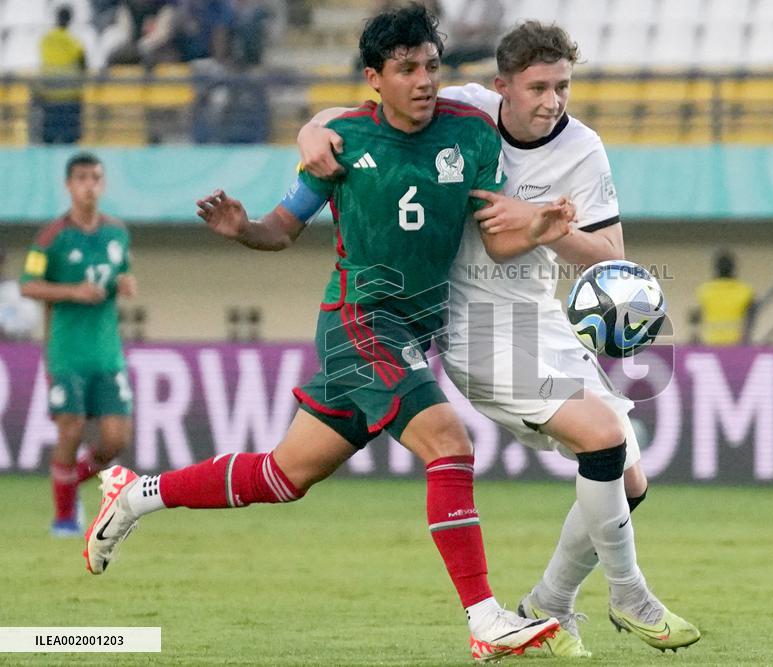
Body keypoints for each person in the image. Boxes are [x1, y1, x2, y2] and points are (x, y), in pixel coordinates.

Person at [84, 5, 570, 662]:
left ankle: (136, 493)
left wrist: (537, 229)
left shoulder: (473, 132)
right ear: (375, 77)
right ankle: (485, 617)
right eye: (406, 69)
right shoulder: (342, 140)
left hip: (410, 330)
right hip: (360, 318)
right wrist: (243, 229)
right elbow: (283, 227)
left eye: (430, 66)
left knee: (285, 475)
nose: (424, 80)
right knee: (448, 442)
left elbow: (495, 234)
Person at [297, 20, 700, 658]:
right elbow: (366, 109)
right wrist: (310, 130)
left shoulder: (584, 149)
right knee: (604, 439)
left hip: (541, 317)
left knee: (628, 482)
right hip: (474, 327)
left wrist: (543, 227)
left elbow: (609, 256)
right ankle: (629, 594)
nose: (552, 101)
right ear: (501, 87)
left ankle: (549, 603)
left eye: (563, 86)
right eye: (538, 87)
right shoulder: (466, 109)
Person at [20, 153, 137, 535]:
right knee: (69, 431)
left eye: (96, 178)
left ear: (103, 185)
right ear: (69, 185)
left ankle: (70, 483)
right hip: (66, 352)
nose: (90, 185)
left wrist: (126, 284)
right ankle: (65, 518)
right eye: (82, 178)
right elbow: (28, 285)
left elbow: (123, 272)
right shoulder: (51, 238)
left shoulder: (118, 232)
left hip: (107, 353)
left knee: (115, 440)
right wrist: (72, 291)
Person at [38, 5, 86, 144]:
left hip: (49, 93)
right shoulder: (74, 41)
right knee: (69, 138)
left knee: (49, 137)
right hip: (70, 95)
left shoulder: (45, 39)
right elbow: (83, 64)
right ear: (70, 20)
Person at [692, 248, 755, 346]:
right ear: (734, 268)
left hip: (710, 342)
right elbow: (751, 318)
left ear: (715, 269)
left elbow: (695, 317)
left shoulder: (704, 290)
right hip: (736, 342)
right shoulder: (745, 291)